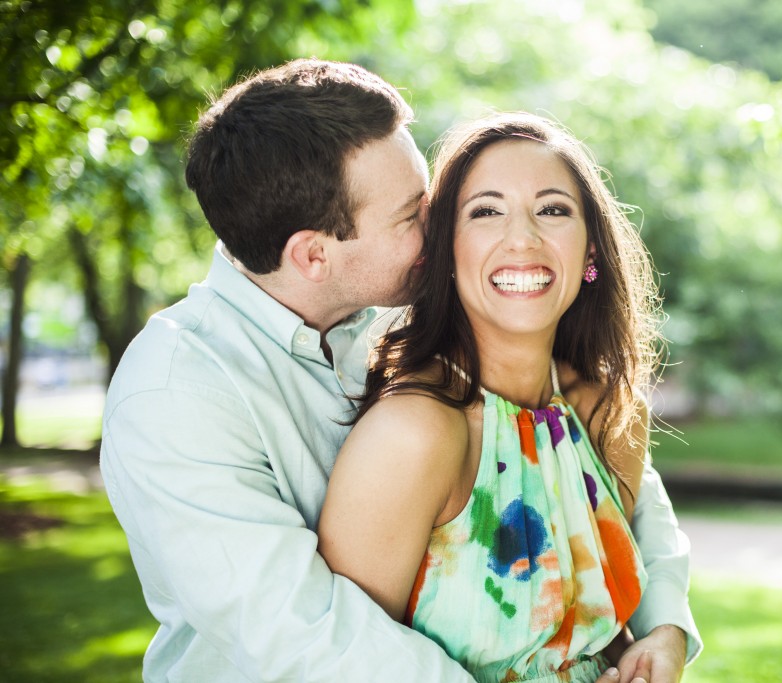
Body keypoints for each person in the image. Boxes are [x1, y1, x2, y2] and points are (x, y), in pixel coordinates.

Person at [100, 59, 700, 682]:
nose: (440, 228)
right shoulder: (176, 393)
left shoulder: (398, 322)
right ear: (313, 254)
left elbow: (601, 492)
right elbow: (305, 638)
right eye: (416, 214)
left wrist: (666, 624)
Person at [318, 113, 699, 683]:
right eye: (486, 211)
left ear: (590, 249)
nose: (522, 238)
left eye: (552, 209)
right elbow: (344, 664)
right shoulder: (416, 432)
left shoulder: (608, 412)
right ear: (445, 251)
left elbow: (584, 629)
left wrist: (651, 647)